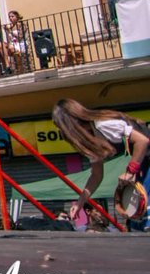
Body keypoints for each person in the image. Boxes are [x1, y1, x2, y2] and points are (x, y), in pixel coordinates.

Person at [51, 98, 149, 228]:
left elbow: (142, 141)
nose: (61, 132)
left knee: (144, 217)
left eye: (60, 127)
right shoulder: (91, 141)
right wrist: (80, 203)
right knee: (136, 218)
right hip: (144, 162)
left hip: (145, 161)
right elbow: (96, 175)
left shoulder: (103, 125)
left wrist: (130, 172)